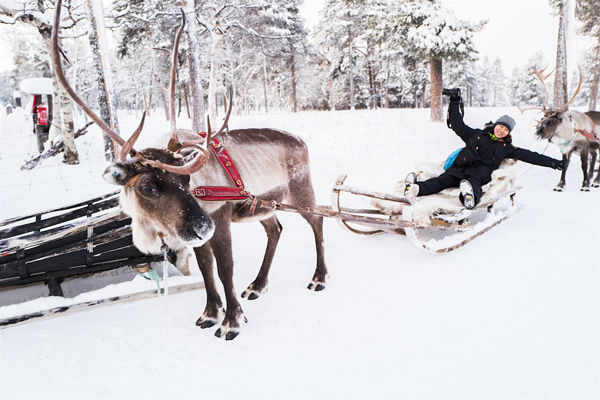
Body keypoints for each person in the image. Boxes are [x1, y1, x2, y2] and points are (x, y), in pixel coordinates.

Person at [404, 88, 563, 209]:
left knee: (473, 184)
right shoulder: (475, 134)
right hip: (460, 168)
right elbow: (457, 124)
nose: (501, 130)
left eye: (505, 130)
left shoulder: (507, 148)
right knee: (441, 181)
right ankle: (416, 189)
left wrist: (553, 163)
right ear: (495, 126)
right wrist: (454, 101)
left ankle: (469, 198)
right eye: (500, 127)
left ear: (508, 133)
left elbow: (531, 155)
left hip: (479, 173)